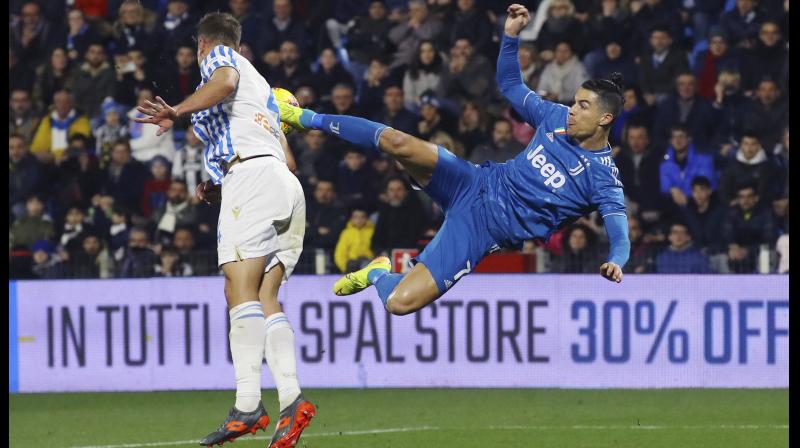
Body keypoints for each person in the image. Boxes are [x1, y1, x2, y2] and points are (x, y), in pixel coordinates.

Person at [278, 4, 629, 317]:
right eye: (575, 101)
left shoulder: (603, 177)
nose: (572, 109)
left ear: (604, 119)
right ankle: (302, 117)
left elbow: (620, 235)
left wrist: (615, 261)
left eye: (583, 106)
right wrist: (509, 38)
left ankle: (377, 273)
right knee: (397, 142)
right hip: (474, 181)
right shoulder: (553, 117)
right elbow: (510, 85)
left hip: (483, 230)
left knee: (399, 303)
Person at [134, 12, 315, 447]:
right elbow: (288, 161)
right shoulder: (266, 95)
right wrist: (220, 184)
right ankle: (292, 400)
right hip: (284, 185)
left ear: (202, 44)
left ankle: (248, 405)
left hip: (252, 182)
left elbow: (226, 82)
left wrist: (177, 110)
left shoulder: (222, 59)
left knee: (237, 289)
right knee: (263, 295)